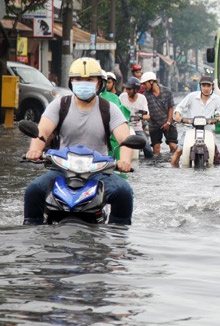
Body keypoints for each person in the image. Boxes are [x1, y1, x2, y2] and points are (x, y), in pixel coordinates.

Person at [23, 57, 135, 225]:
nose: (84, 83)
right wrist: (35, 150)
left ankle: (119, 239)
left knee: (124, 192)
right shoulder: (59, 105)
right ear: (71, 82)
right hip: (62, 169)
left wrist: (124, 161)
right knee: (33, 191)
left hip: (99, 172)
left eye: (89, 79)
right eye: (78, 79)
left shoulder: (109, 109)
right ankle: (32, 234)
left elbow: (124, 139)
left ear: (98, 83)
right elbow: (43, 131)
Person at [170, 75, 220, 167]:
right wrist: (177, 115)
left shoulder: (216, 99)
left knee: (215, 156)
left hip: (207, 130)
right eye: (203, 86)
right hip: (190, 129)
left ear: (212, 86)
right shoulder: (191, 96)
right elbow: (179, 107)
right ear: (200, 86)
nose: (206, 88)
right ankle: (172, 170)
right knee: (179, 151)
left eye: (208, 86)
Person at [140, 71, 177, 159]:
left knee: (173, 146)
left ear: (152, 82)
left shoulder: (167, 91)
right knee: (156, 149)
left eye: (145, 84)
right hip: (154, 125)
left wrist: (168, 122)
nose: (144, 86)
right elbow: (144, 112)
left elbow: (171, 107)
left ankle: (174, 162)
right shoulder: (145, 96)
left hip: (168, 122)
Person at [120, 77, 154, 159]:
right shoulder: (122, 97)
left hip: (137, 128)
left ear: (136, 90)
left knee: (148, 149)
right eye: (126, 89)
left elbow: (147, 116)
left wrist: (138, 117)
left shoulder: (142, 98)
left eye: (130, 89)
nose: (127, 91)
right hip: (124, 127)